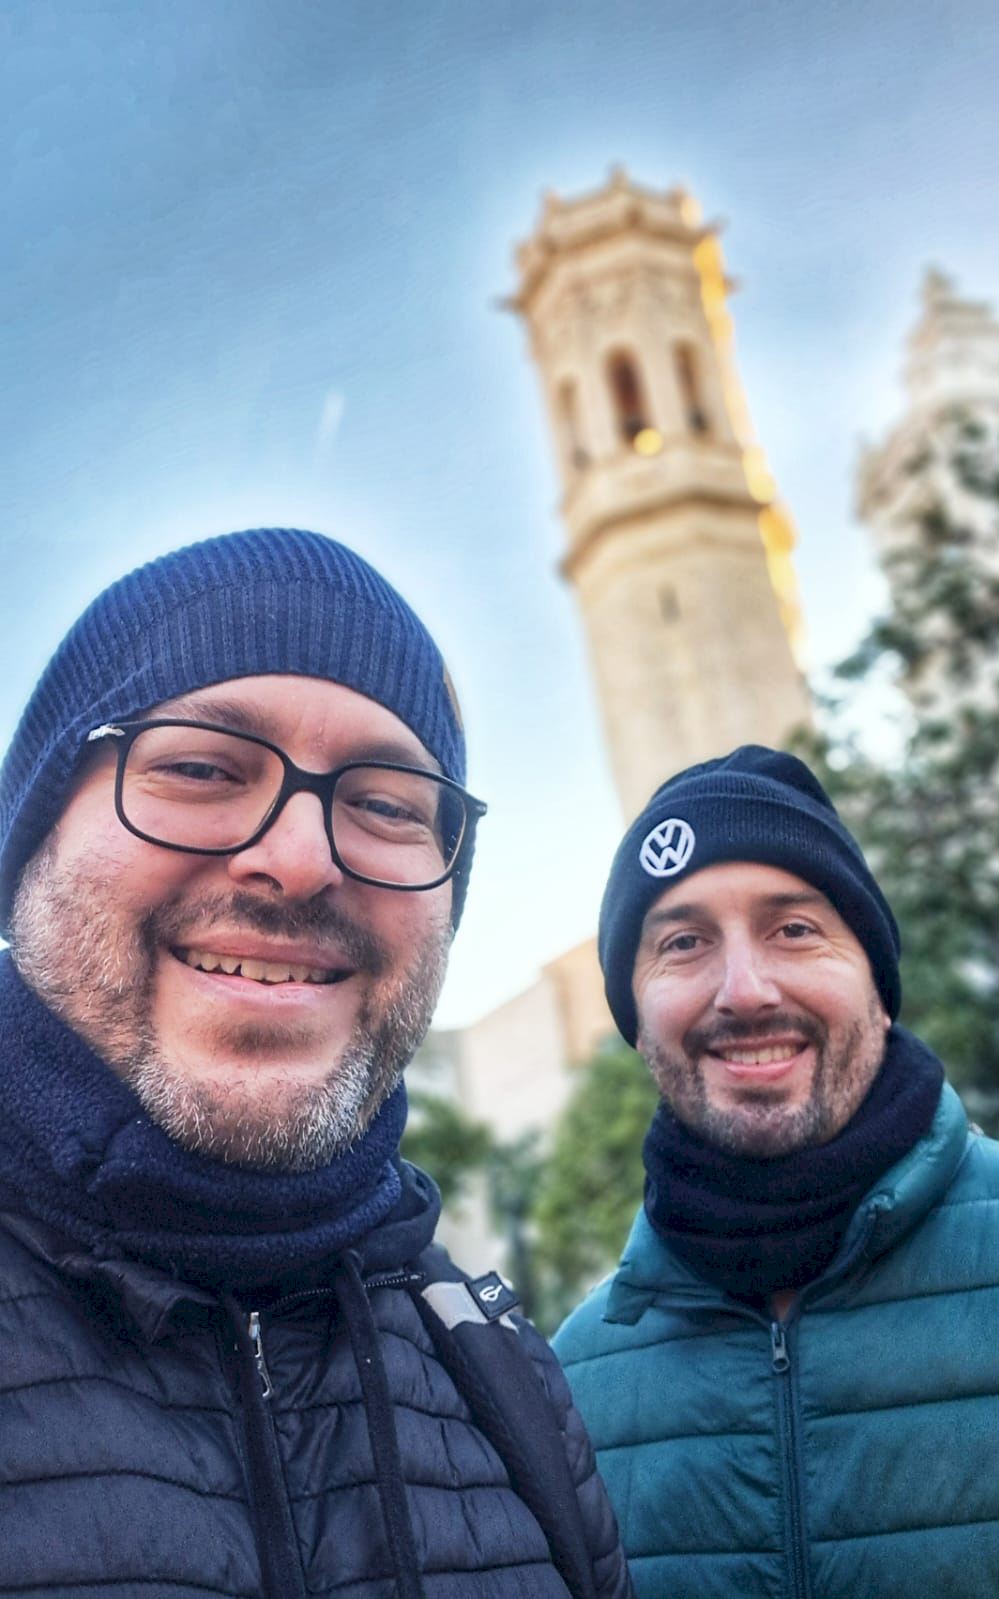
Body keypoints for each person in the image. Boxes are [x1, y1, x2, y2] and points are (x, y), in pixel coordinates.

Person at [0, 526, 630, 1599]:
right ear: (30, 845)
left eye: (385, 804)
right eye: (201, 766)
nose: (298, 859)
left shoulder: (505, 1375)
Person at [554, 745, 999, 1599]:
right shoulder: (564, 1388)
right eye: (682, 942)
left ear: (877, 985)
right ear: (635, 1018)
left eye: (793, 928)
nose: (743, 989)